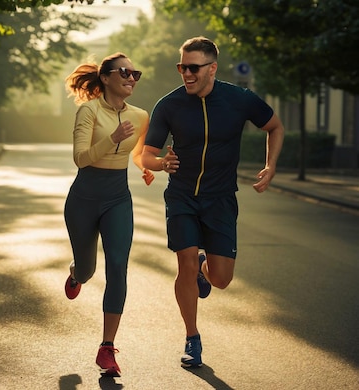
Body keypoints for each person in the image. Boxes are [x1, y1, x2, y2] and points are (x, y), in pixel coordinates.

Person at [141, 36, 284, 368]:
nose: (186, 74)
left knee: (221, 279)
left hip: (220, 199)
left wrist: (271, 165)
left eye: (193, 68)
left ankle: (207, 271)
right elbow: (147, 155)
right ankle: (192, 338)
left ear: (212, 68)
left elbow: (274, 127)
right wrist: (161, 163)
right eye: (182, 67)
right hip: (181, 196)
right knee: (185, 263)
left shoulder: (239, 99)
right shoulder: (169, 105)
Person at [63, 52, 154, 377]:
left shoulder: (141, 116)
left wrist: (150, 168)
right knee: (88, 270)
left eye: (135, 73)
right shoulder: (88, 111)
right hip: (84, 199)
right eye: (124, 72)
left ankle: (107, 347)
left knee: (118, 266)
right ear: (105, 78)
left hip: (118, 198)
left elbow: (140, 154)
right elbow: (81, 158)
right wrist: (112, 140)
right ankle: (76, 274)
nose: (131, 78)